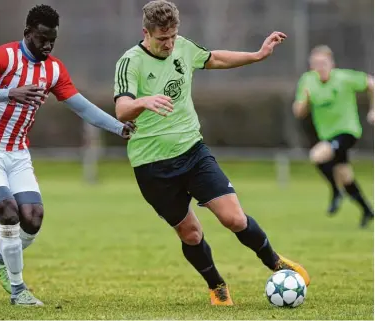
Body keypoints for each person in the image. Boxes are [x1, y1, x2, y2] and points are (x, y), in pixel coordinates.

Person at [113, 0, 310, 306]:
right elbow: (122, 109)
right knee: (190, 234)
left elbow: (214, 58)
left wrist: (257, 56)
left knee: (234, 218)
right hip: (152, 166)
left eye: (173, 36)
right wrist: (144, 101)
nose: (168, 44)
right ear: (146, 33)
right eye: (161, 38)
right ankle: (216, 285)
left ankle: (275, 262)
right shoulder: (130, 61)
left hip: (193, 152)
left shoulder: (182, 47)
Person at [0, 4, 135, 306]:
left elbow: (82, 107)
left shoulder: (54, 69)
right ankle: (18, 291)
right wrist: (9, 93)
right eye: (41, 38)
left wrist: (119, 128)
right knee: (8, 210)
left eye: (52, 39)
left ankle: (1, 256)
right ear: (27, 33)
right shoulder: (3, 56)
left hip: (17, 154)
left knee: (33, 218)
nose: (47, 45)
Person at [293, 45, 374, 228]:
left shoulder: (344, 77)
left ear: (332, 63)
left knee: (317, 155)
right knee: (345, 175)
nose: (319, 67)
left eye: (323, 63)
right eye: (315, 64)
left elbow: (371, 83)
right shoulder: (307, 81)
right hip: (327, 135)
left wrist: (373, 109)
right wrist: (304, 101)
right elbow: (298, 111)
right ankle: (367, 210)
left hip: (348, 131)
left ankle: (335, 192)